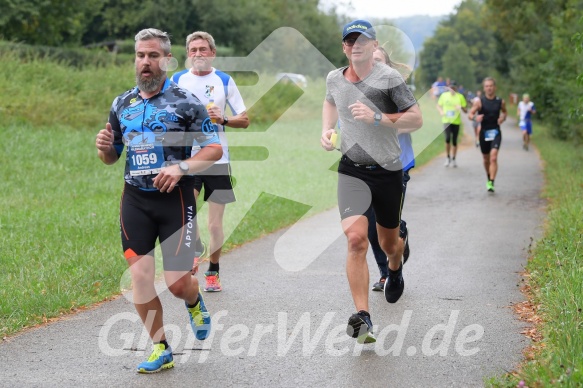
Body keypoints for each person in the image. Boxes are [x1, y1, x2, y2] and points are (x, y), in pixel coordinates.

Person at [95, 28, 223, 373]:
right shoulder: (122, 103)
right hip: (135, 199)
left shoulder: (186, 102)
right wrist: (105, 149)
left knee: (178, 283)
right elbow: (112, 155)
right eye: (140, 56)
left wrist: (182, 167)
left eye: (153, 56)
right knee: (140, 274)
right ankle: (161, 347)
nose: (146, 63)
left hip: (175, 199)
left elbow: (214, 148)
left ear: (167, 59)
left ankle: (194, 301)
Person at [321, 19, 423, 344]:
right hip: (352, 169)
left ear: (374, 44)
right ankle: (363, 316)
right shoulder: (334, 78)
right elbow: (329, 100)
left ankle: (395, 267)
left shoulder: (389, 78)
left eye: (362, 40)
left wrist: (378, 117)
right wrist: (326, 129)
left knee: (388, 244)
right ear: (344, 47)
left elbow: (416, 118)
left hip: (388, 170)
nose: (356, 46)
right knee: (355, 241)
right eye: (350, 41)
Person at [172, 31, 250, 292]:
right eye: (193, 50)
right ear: (188, 54)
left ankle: (213, 271)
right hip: (189, 159)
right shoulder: (176, 80)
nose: (198, 54)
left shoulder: (224, 80)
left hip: (218, 159)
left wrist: (224, 119)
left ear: (212, 53)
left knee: (215, 225)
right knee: (186, 217)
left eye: (203, 49)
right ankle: (195, 248)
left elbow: (245, 119)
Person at [368, 46, 414, 292]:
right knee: (370, 225)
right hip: (365, 166)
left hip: (397, 164)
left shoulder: (398, 89)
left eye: (378, 60)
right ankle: (386, 273)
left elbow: (414, 121)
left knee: (385, 222)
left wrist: (383, 123)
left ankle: (400, 231)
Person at [468, 77, 507, 192]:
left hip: (496, 132)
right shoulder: (479, 101)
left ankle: (492, 182)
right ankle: (489, 177)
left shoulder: (500, 101)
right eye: (487, 86)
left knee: (493, 157)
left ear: (495, 87)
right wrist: (476, 117)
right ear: (484, 88)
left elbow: (505, 112)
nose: (489, 88)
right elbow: (470, 115)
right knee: (486, 159)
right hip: (484, 133)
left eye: (491, 86)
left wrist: (502, 118)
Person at [437, 81, 467, 167]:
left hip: (456, 121)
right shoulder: (444, 96)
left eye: (454, 88)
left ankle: (454, 159)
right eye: (450, 87)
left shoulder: (460, 97)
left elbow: (466, 111)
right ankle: (447, 157)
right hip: (446, 120)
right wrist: (441, 111)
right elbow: (438, 105)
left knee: (454, 141)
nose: (452, 89)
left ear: (456, 88)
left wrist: (460, 107)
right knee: (447, 139)